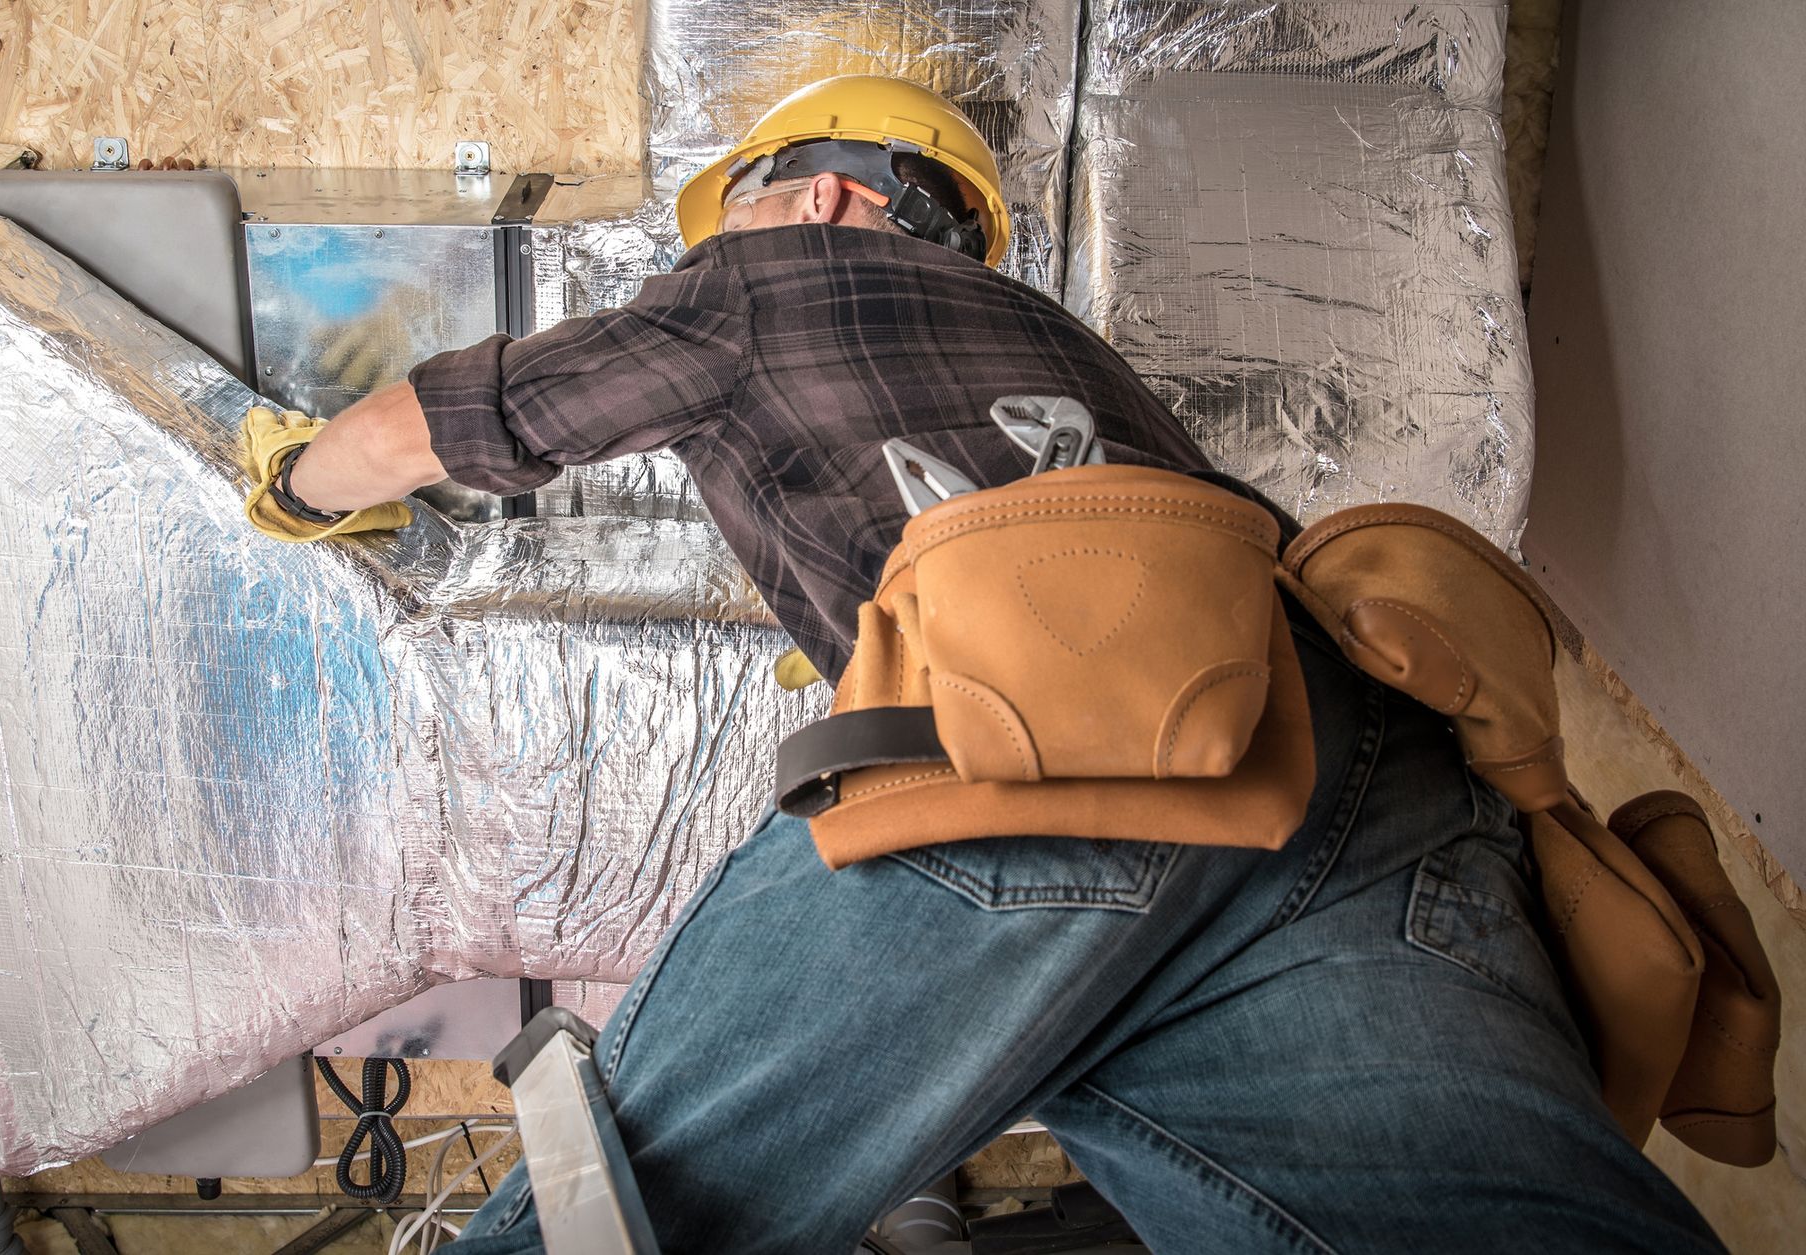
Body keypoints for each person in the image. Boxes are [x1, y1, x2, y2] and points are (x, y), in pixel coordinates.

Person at [246, 77, 1724, 1253]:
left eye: (728, 214)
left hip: (1047, 744)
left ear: (820, 195)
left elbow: (462, 418)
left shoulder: (766, 282)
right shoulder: (1055, 333)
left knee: (615, 1216)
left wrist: (301, 483)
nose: (704, 252)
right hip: (1376, 784)